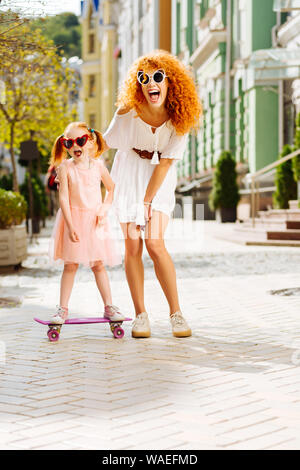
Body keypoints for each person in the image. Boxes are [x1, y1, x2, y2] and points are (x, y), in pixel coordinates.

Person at [102, 50, 202, 338]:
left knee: (155, 242)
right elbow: (106, 143)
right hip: (129, 170)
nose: (150, 83)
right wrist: (76, 148)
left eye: (157, 77)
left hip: (158, 176)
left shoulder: (180, 117)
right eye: (143, 78)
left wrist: (147, 201)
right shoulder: (127, 111)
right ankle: (141, 316)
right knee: (133, 246)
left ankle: (176, 314)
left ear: (170, 82)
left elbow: (167, 163)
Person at [48, 122, 124, 324]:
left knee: (98, 265)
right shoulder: (65, 168)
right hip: (73, 221)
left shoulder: (98, 166)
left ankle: (109, 306)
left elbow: (111, 189)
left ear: (89, 142)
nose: (75, 146)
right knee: (70, 265)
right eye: (69, 143)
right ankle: (62, 309)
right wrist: (71, 226)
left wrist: (104, 209)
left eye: (80, 140)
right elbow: (63, 198)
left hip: (94, 223)